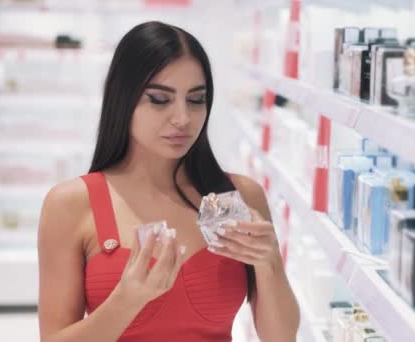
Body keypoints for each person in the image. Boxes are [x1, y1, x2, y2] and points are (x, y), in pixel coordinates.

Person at [37, 21, 300, 341]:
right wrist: (126, 301)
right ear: (123, 98)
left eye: (196, 99)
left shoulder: (240, 196)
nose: (182, 119)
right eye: (160, 100)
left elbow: (280, 337)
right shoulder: (71, 204)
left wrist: (269, 260)